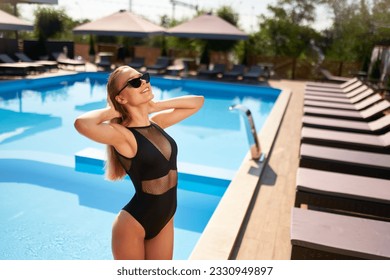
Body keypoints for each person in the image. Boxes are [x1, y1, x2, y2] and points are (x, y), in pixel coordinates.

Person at [74, 66, 204, 260]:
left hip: (165, 218)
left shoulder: (157, 124)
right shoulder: (123, 135)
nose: (144, 82)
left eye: (144, 77)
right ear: (121, 98)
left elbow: (197, 102)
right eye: (135, 82)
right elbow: (82, 123)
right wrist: (114, 110)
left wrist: (155, 106)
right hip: (134, 224)